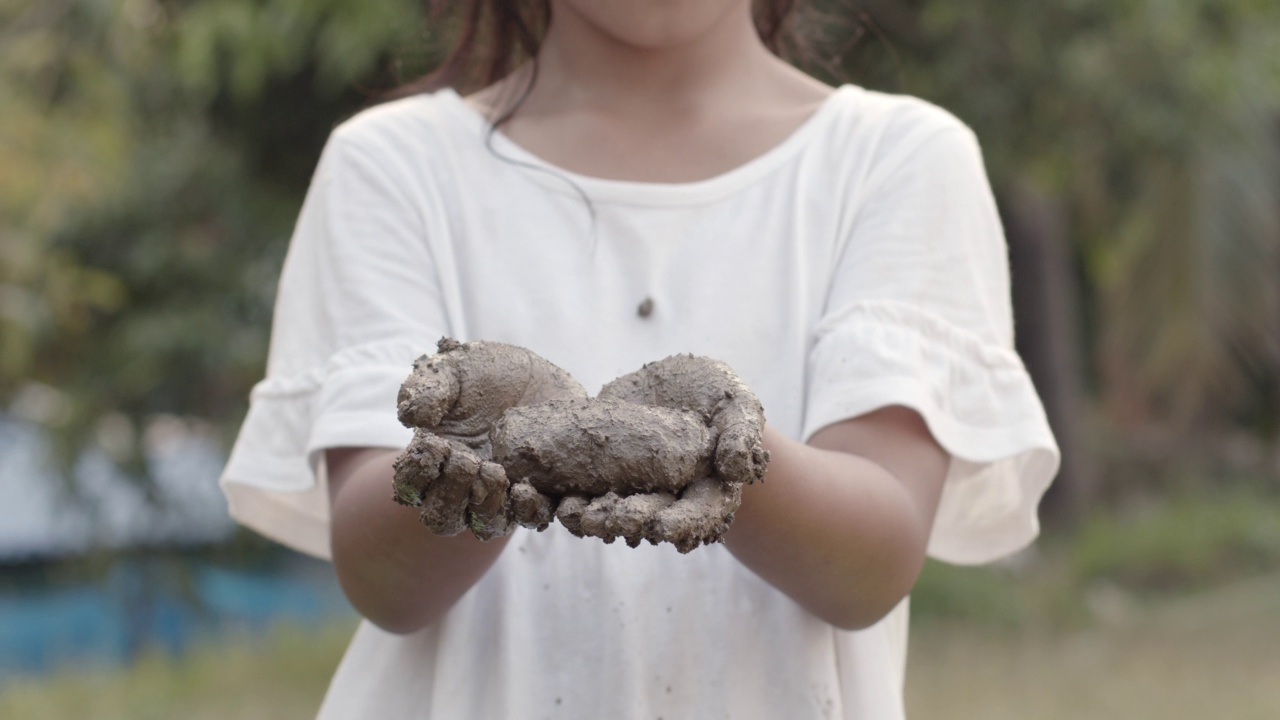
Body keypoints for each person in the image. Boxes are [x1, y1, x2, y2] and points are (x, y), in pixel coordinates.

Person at [219, 1, 1060, 717]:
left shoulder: (899, 159)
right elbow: (381, 578)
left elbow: (870, 564)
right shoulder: (391, 166)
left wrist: (723, 452)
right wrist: (495, 455)